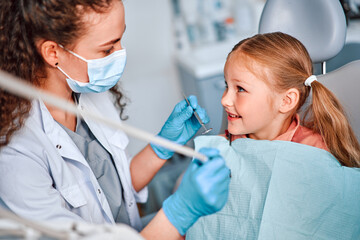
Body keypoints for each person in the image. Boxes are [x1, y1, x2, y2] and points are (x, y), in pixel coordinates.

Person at [0, 1, 230, 239]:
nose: (120, 54)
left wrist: (161, 146)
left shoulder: (90, 94)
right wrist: (181, 211)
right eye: (107, 50)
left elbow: (117, 188)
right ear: (53, 52)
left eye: (120, 40)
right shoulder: (17, 154)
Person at [221, 32, 360, 167]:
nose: (224, 100)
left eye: (240, 89)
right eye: (227, 86)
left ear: (286, 101)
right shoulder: (223, 146)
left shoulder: (313, 155)